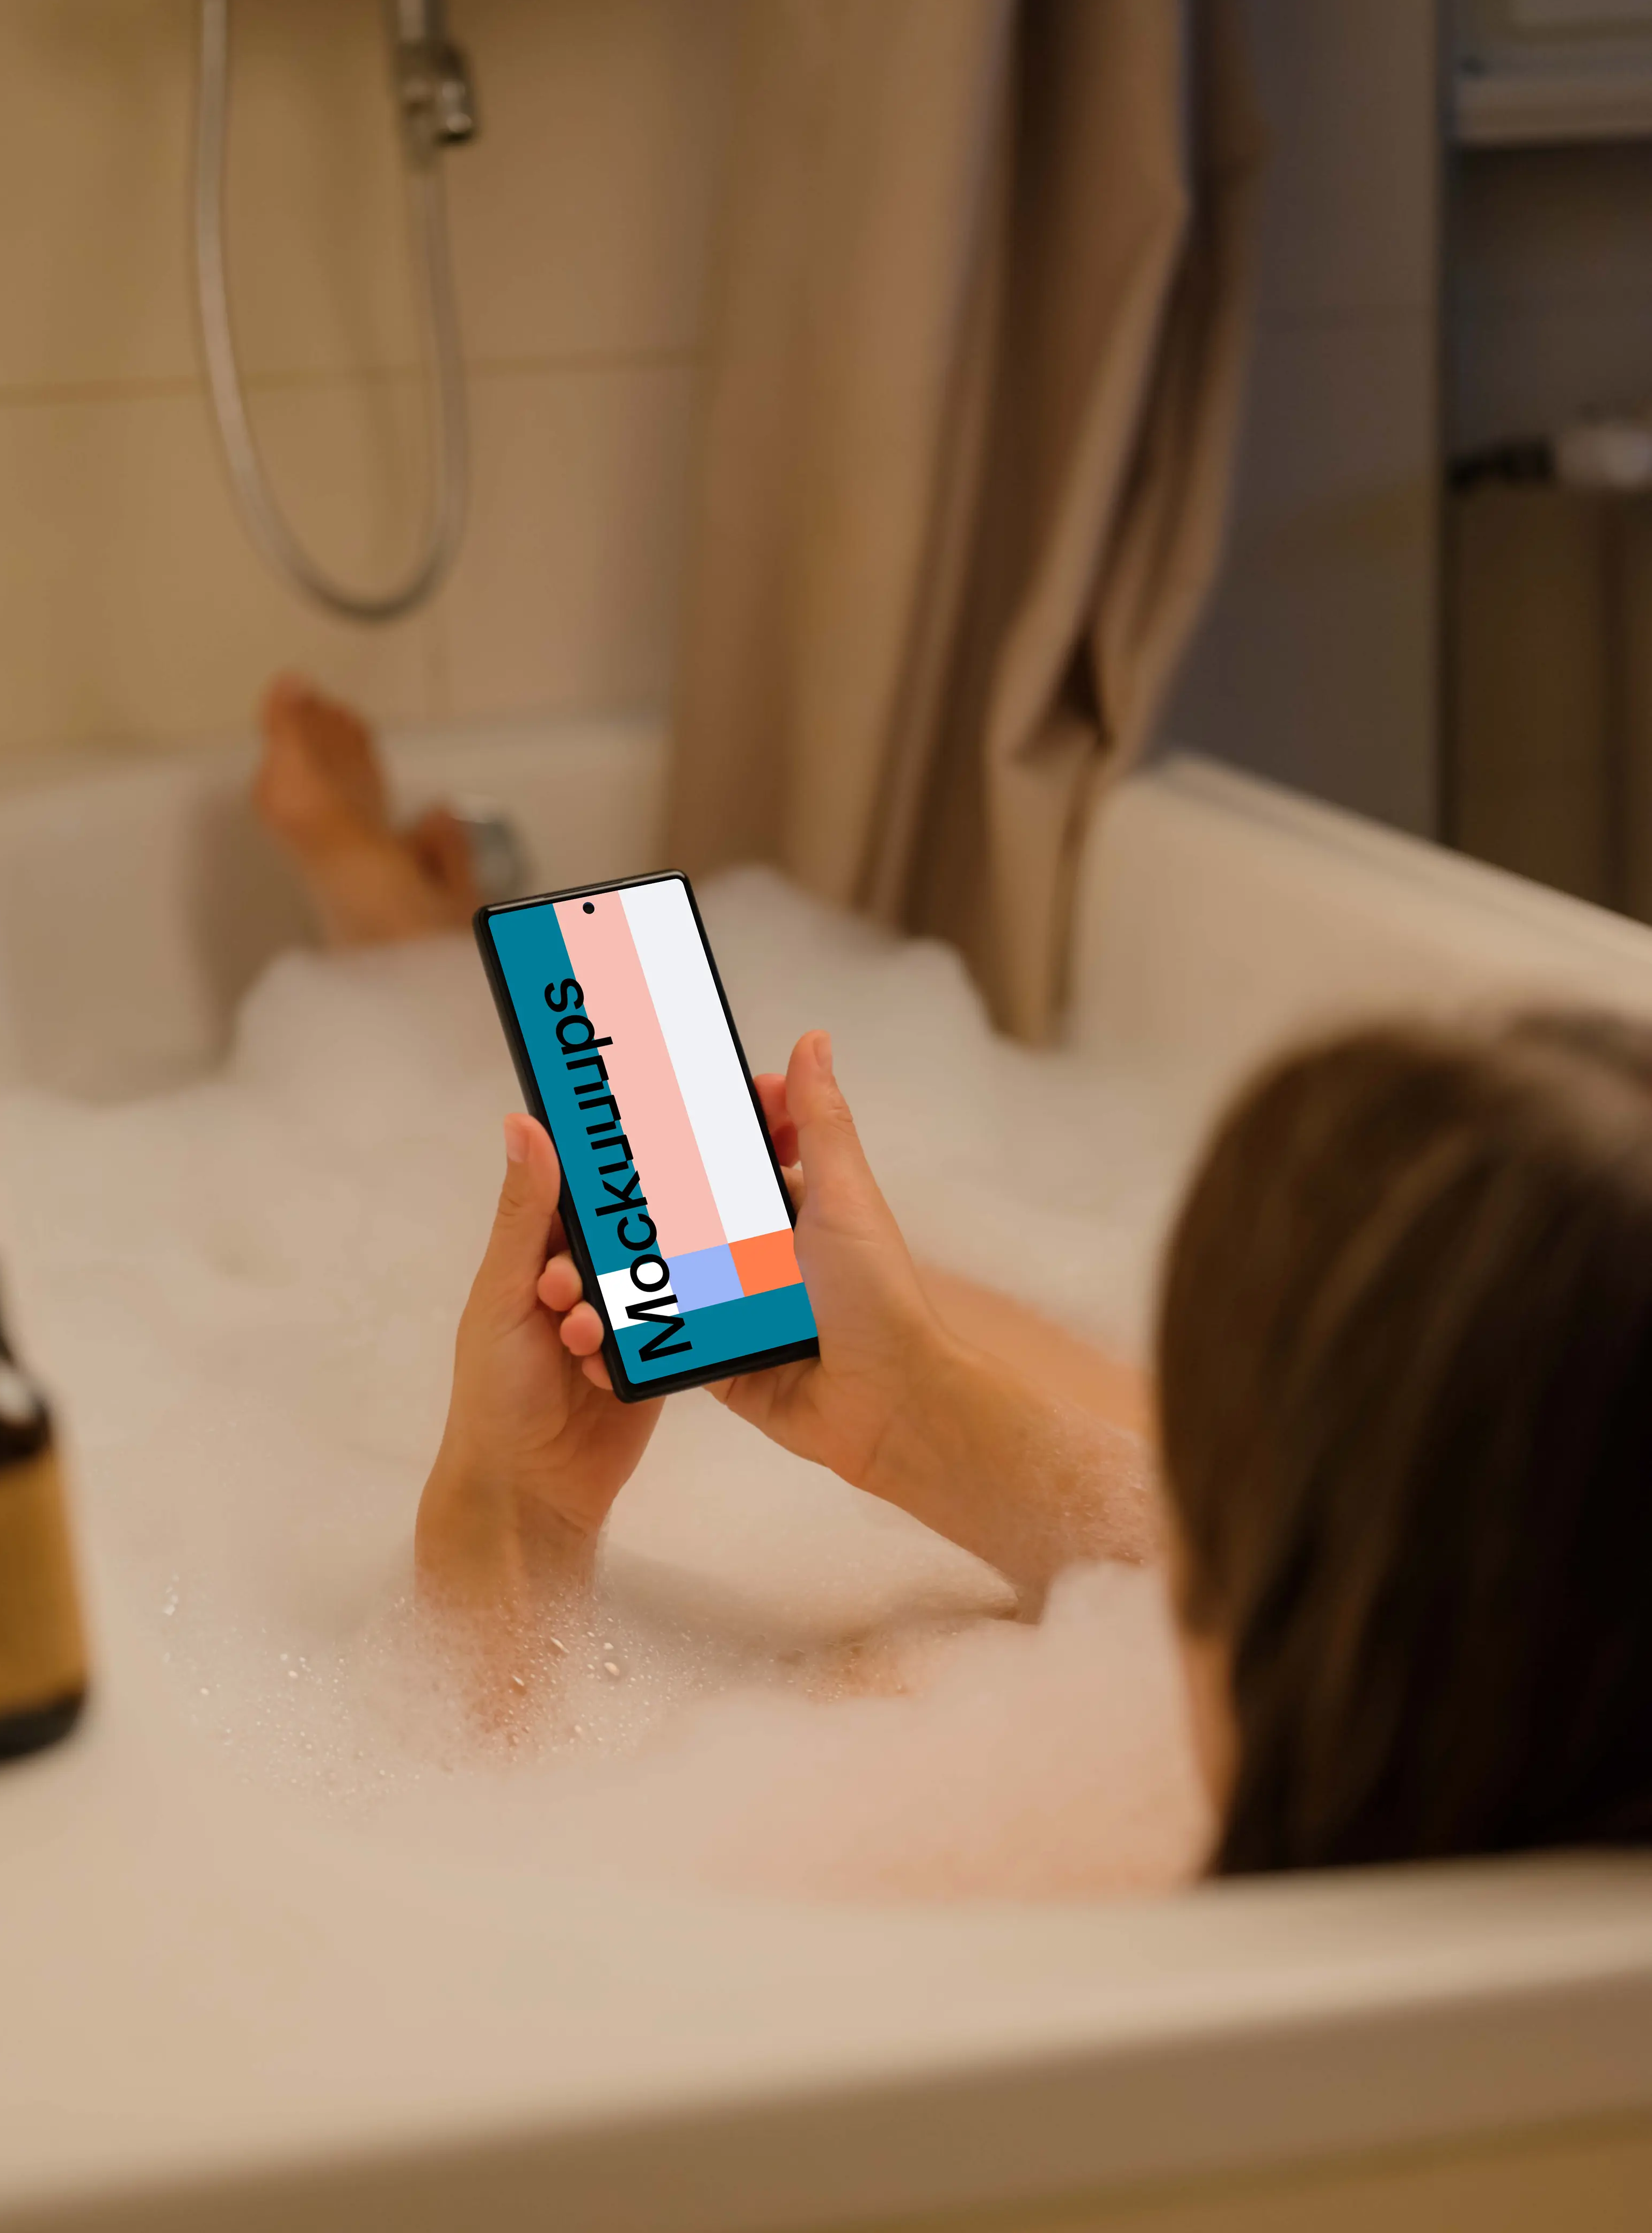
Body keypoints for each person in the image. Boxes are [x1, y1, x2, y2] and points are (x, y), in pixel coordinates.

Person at [259, 678, 1652, 1876]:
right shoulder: (1490, 1771)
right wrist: (924, 1415)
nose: (1214, 1509)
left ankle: (413, 969)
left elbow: (504, 1870)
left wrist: (508, 1515)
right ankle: (915, 1376)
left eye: (1258, 1468)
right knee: (954, 1338)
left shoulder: (1042, 1862)